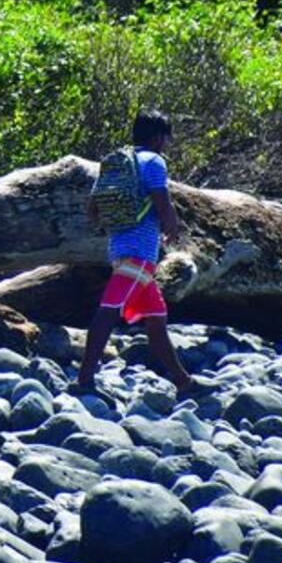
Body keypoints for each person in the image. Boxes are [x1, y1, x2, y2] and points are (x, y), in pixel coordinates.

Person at [76, 109, 205, 399]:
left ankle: (184, 383)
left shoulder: (117, 161)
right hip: (139, 253)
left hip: (120, 249)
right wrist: (173, 229)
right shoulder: (154, 162)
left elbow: (92, 210)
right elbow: (162, 201)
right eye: (167, 139)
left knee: (156, 319)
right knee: (109, 309)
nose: (167, 144)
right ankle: (84, 379)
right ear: (158, 137)